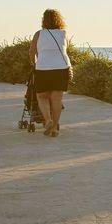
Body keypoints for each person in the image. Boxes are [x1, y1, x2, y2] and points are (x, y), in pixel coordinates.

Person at [28, 9, 71, 137]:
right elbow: (64, 49)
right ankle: (54, 128)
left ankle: (48, 120)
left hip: (43, 68)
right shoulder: (64, 33)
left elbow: (32, 52)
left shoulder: (39, 34)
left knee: (42, 97)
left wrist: (34, 63)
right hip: (62, 68)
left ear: (43, 20)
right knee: (57, 99)